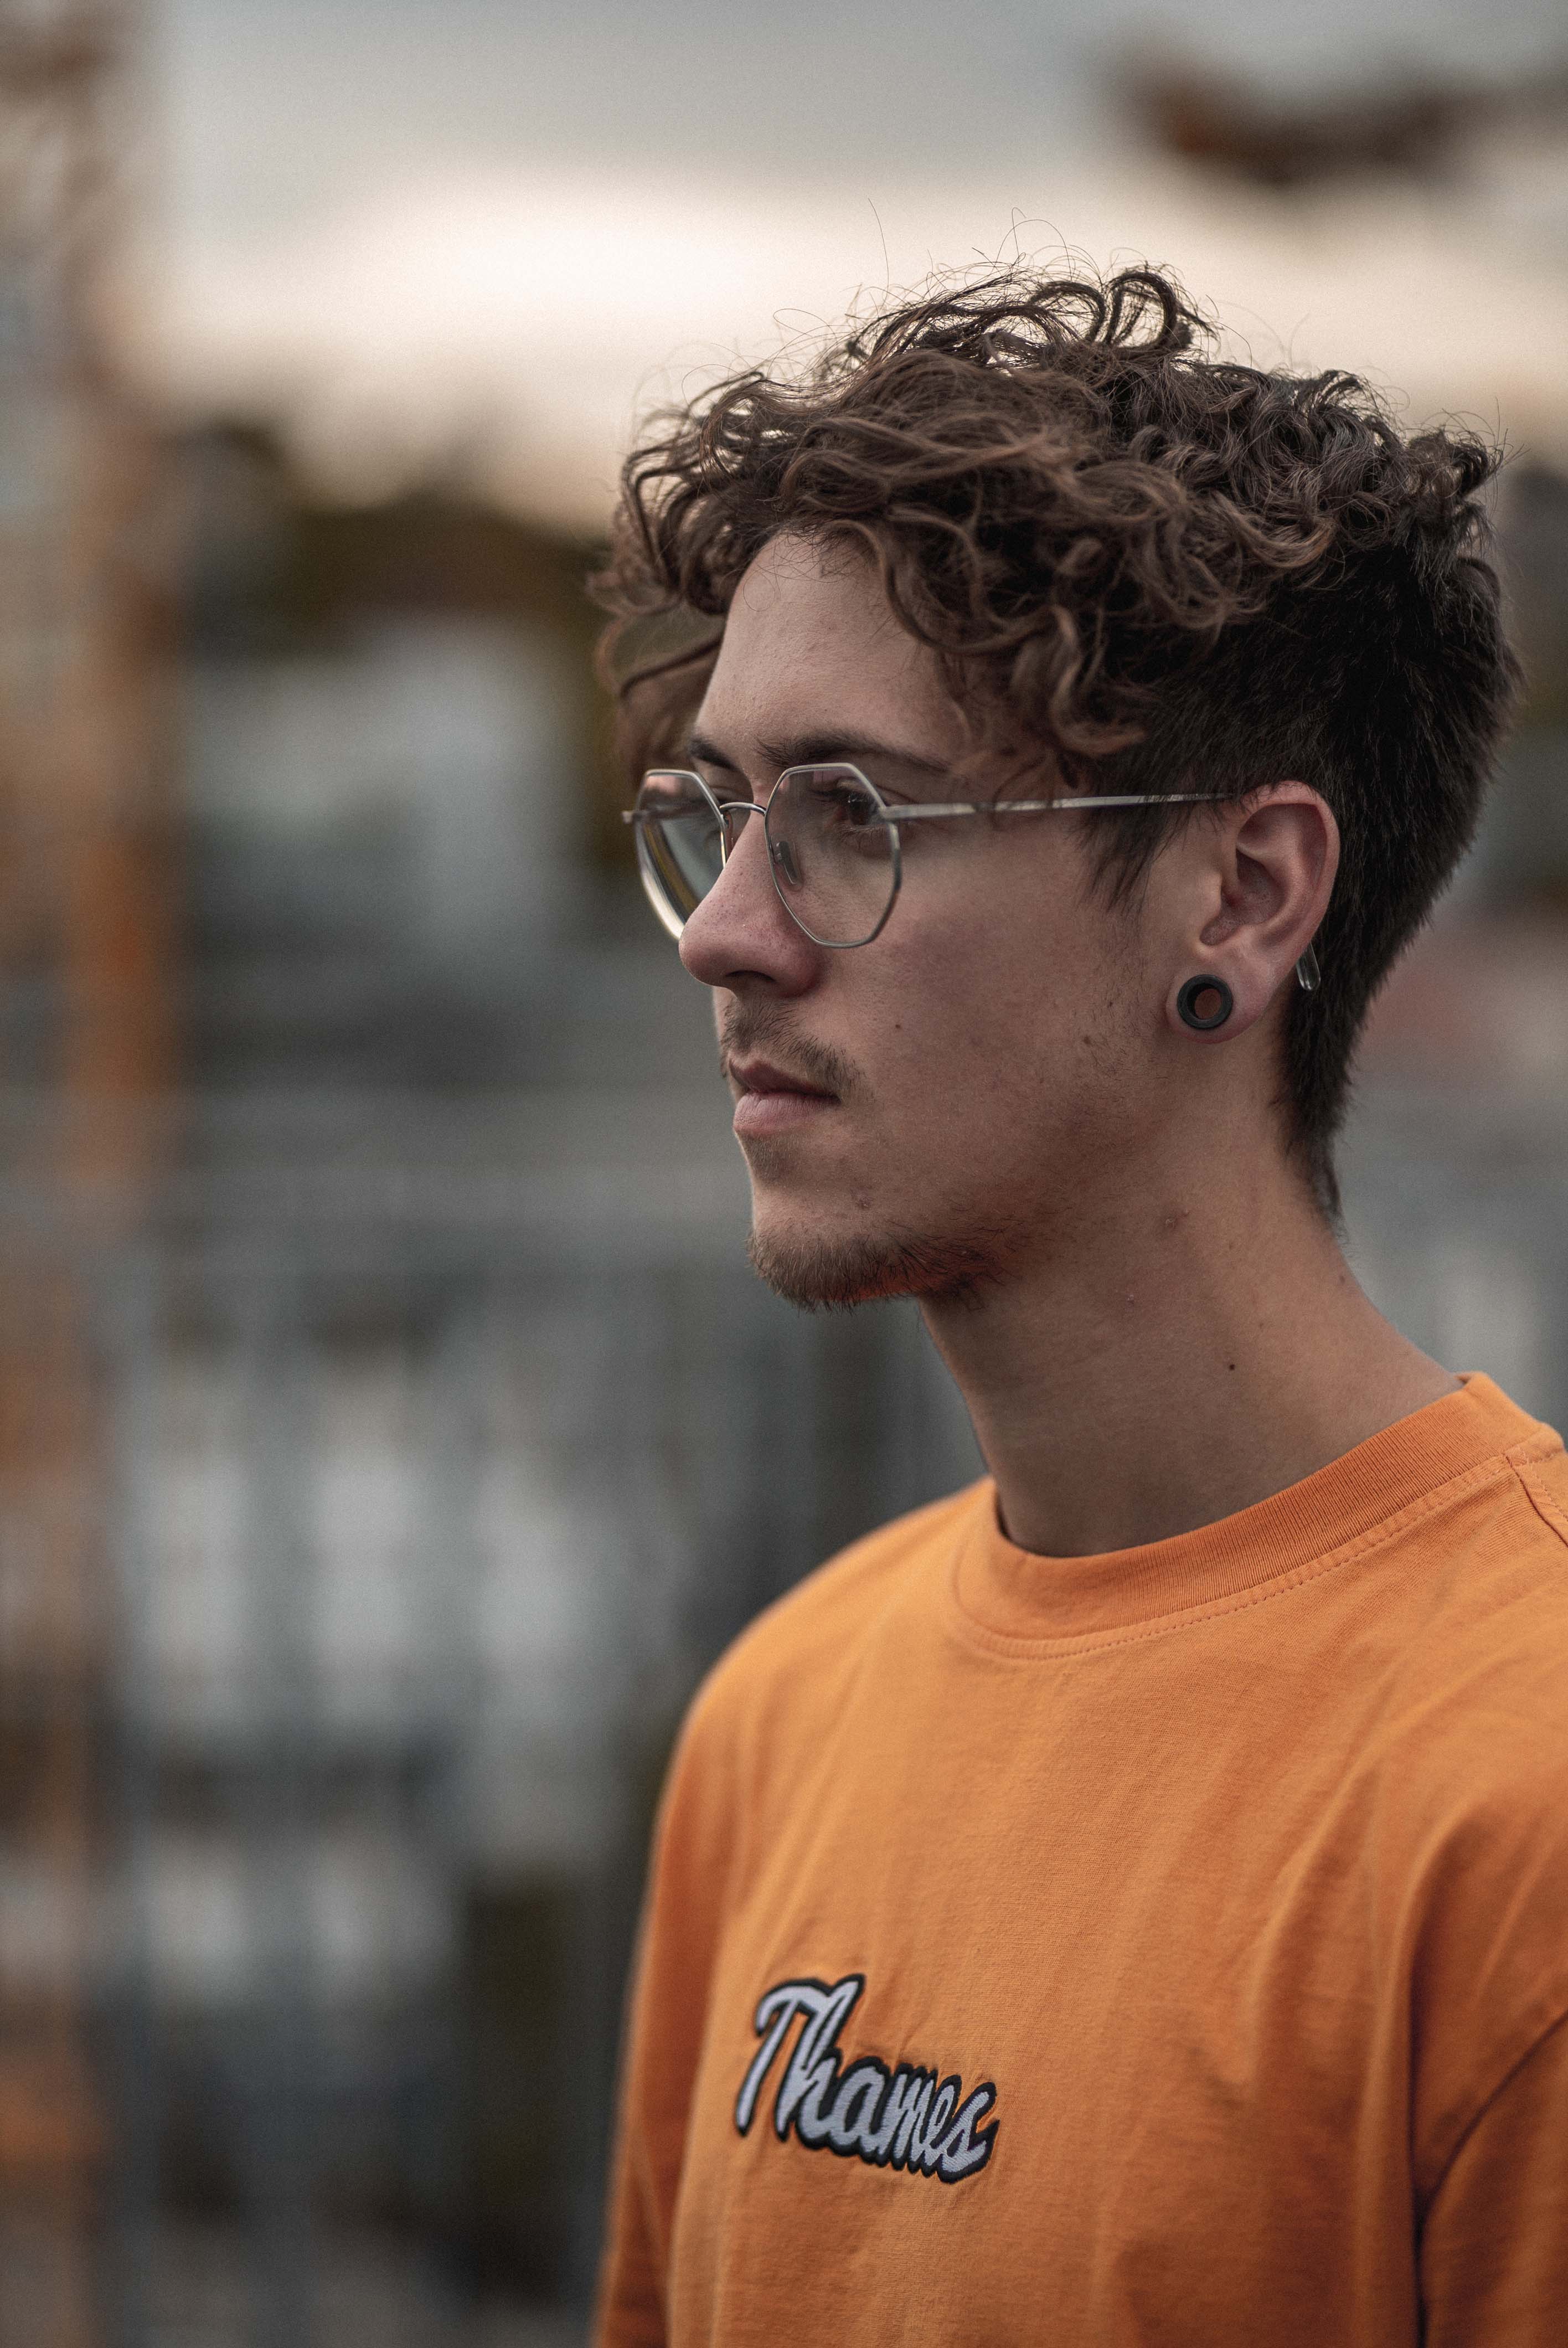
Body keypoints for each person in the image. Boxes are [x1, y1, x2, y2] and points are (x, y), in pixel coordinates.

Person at [590, 266, 1568, 2346]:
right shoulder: (776, 1720)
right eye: (717, 816)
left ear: (1245, 894)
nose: (726, 935)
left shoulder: (1523, 1781)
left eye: (851, 816)